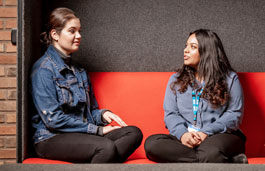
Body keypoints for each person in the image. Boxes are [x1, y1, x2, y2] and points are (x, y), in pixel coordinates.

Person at [31, 7, 142, 163]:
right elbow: (53, 120)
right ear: (55, 35)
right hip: (51, 138)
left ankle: (95, 160)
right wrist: (98, 130)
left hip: (82, 135)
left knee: (133, 133)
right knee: (106, 147)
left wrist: (103, 115)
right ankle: (99, 156)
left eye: (79, 31)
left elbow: (90, 113)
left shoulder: (80, 71)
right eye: (72, 31)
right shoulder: (43, 69)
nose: (79, 36)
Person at [144, 29, 247, 163]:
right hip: (187, 137)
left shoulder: (230, 78)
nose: (185, 50)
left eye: (192, 47)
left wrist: (205, 132)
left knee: (210, 151)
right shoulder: (176, 79)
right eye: (186, 46)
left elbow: (234, 114)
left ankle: (209, 156)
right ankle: (226, 160)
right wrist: (183, 135)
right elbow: (171, 114)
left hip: (219, 136)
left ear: (207, 52)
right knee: (152, 144)